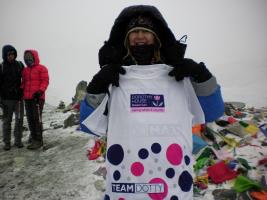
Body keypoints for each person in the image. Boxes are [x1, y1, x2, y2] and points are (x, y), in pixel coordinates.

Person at [82, 5, 224, 199]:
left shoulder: (178, 75)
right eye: (134, 32)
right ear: (126, 40)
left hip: (172, 188)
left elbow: (214, 112)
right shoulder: (114, 78)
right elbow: (88, 124)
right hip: (126, 186)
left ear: (156, 38)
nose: (139, 36)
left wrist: (201, 75)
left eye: (145, 31)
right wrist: (96, 88)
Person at [21, 49, 49, 150]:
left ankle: (38, 140)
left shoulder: (42, 68)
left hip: (37, 98)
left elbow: (45, 81)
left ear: (34, 57)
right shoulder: (25, 70)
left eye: (30, 58)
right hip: (27, 98)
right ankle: (34, 138)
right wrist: (21, 90)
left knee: (36, 119)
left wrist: (40, 92)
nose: (28, 60)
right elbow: (24, 83)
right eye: (26, 58)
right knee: (30, 119)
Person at [0, 45, 24, 150]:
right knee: (7, 121)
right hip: (6, 100)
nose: (11, 56)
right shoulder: (1, 67)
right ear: (5, 55)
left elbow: (27, 78)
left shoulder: (19, 65)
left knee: (19, 120)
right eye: (8, 54)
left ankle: (18, 141)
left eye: (12, 53)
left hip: (18, 99)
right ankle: (7, 143)